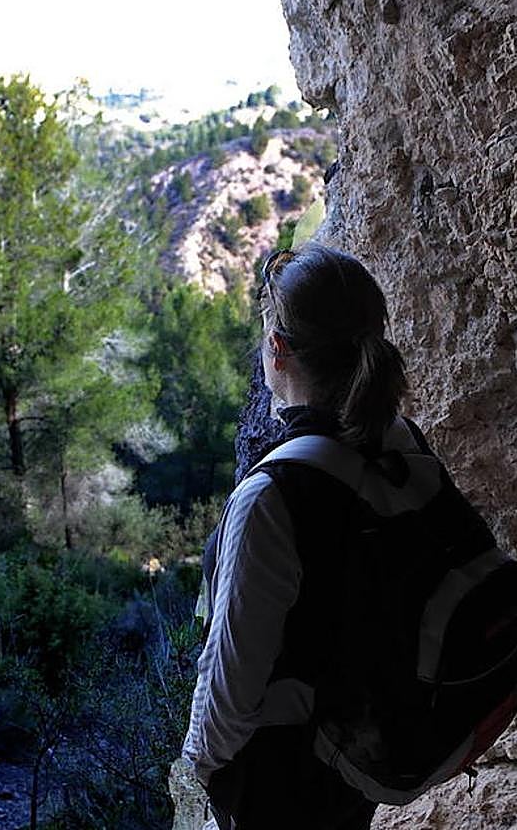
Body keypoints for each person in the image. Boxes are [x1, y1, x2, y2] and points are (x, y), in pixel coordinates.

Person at [181, 244, 422, 829]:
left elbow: (229, 692)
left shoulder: (272, 495)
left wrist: (199, 774)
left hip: (285, 779)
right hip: (360, 750)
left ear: (278, 349)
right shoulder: (400, 444)